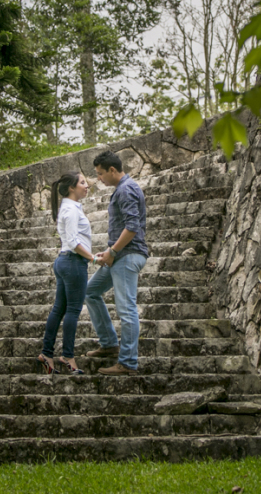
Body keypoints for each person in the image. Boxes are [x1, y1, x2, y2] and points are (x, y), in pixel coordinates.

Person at [84, 150, 148, 376]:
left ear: (112, 170)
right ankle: (110, 343)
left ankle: (128, 362)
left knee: (126, 309)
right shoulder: (123, 189)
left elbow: (132, 227)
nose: (98, 179)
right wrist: (110, 250)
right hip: (120, 254)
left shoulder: (126, 190)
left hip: (127, 256)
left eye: (100, 174)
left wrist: (112, 251)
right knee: (90, 291)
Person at [38, 171, 93, 375]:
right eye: (83, 182)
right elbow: (72, 241)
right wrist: (92, 257)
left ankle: (46, 354)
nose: (87, 185)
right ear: (72, 187)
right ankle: (68, 356)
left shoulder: (69, 208)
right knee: (72, 310)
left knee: (59, 309)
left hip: (66, 261)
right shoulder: (70, 210)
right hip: (73, 262)